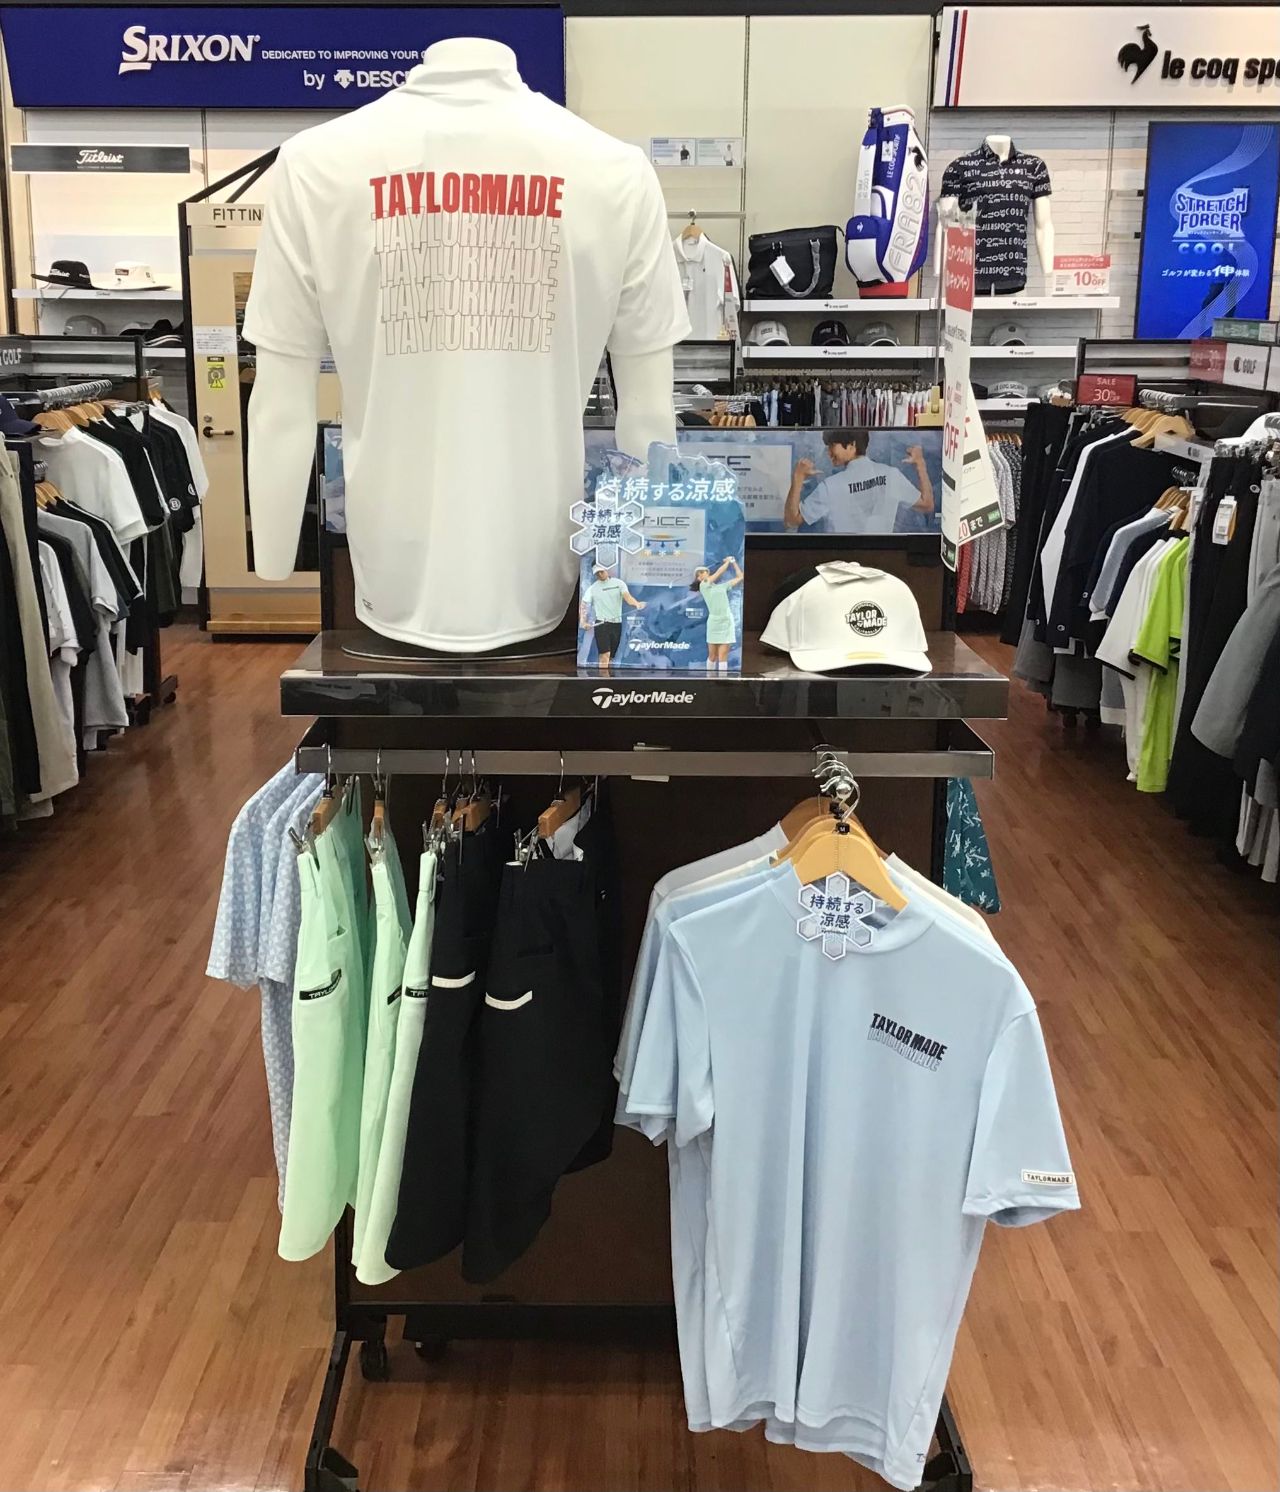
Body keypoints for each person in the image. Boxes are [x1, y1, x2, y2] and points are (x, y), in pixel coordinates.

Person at [784, 428, 934, 534]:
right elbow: (927, 504)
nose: (828, 452)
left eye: (832, 446)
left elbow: (791, 520)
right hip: (881, 559)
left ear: (852, 445)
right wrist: (920, 464)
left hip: (839, 563)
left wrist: (798, 478)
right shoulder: (891, 475)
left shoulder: (831, 486)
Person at [580, 564, 645, 668]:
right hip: (601, 624)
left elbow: (628, 598)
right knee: (604, 654)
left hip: (616, 624)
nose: (600, 574)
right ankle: (603, 676)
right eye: (597, 573)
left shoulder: (619, 584)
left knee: (611, 656)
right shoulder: (593, 588)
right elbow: (584, 605)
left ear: (606, 570)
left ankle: (607, 675)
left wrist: (637, 604)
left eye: (601, 571)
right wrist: (583, 622)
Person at [691, 556, 743, 672]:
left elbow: (740, 577)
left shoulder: (723, 586)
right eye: (699, 574)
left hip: (727, 621)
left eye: (703, 571)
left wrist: (733, 562)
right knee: (712, 656)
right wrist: (727, 562)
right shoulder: (703, 586)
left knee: (723, 656)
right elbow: (719, 572)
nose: (702, 574)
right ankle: (709, 679)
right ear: (699, 578)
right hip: (714, 623)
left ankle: (721, 680)